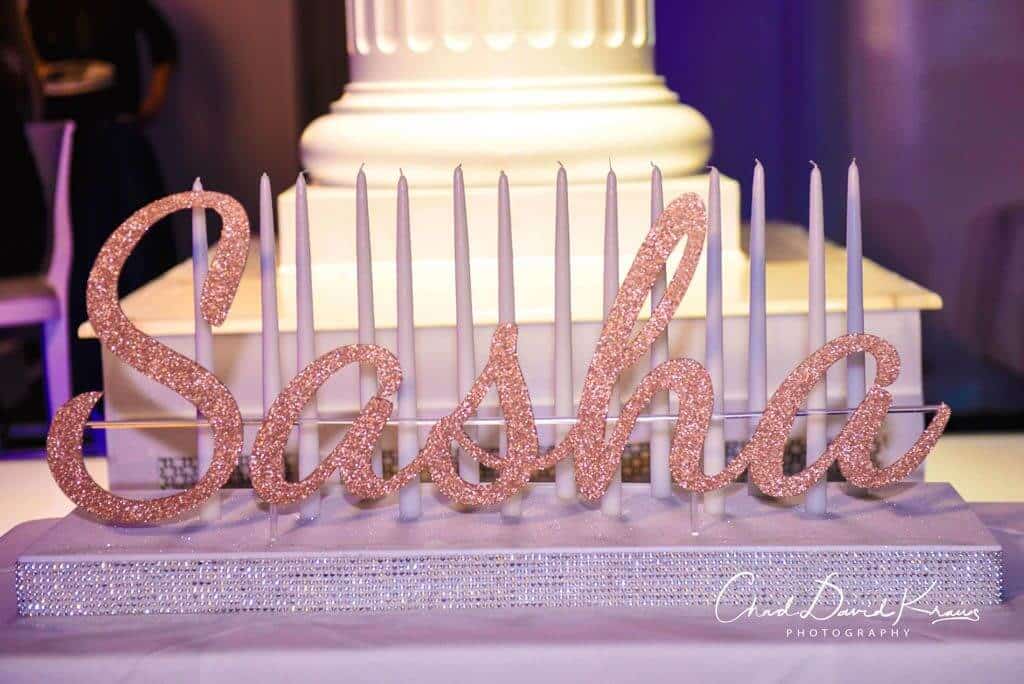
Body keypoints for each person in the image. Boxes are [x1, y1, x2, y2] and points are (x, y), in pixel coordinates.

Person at [26, 0, 181, 397]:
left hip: (116, 132)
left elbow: (164, 46)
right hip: (67, 139)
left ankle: (147, 369)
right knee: (79, 254)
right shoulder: (37, 12)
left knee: (136, 254)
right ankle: (83, 376)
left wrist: (151, 103)